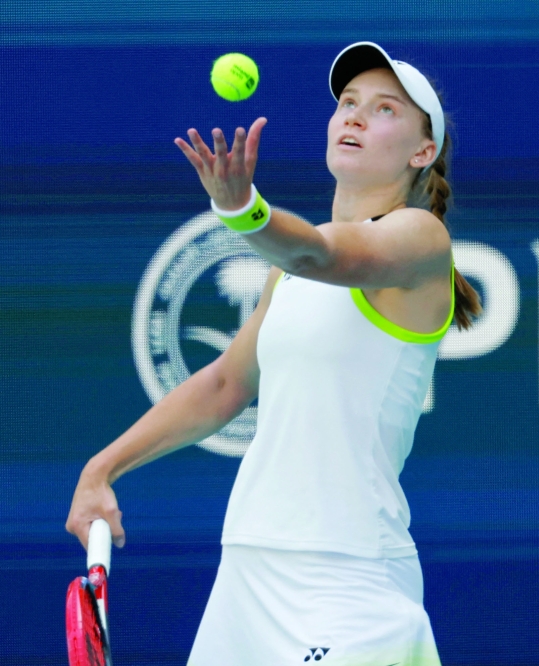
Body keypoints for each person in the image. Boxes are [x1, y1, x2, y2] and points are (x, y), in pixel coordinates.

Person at [65, 41, 481, 665]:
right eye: (348, 103)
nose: (356, 117)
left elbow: (320, 251)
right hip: (249, 572)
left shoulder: (421, 240)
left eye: (386, 109)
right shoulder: (284, 277)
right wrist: (101, 468)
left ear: (423, 152)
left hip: (351, 578)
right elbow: (224, 385)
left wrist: (241, 208)